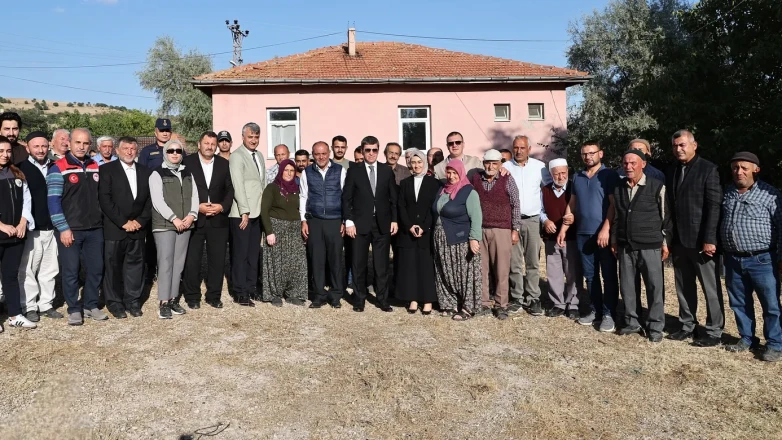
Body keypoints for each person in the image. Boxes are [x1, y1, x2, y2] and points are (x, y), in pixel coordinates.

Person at [720, 152, 782, 361]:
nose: (739, 171)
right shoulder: (727, 193)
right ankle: (747, 338)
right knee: (739, 302)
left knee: (770, 304)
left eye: (744, 168)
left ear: (756, 169)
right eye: (736, 167)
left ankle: (775, 343)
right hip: (734, 259)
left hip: (763, 259)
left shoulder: (770, 194)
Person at [665, 129, 724, 346]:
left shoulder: (708, 169)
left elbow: (714, 206)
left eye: (682, 145)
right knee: (683, 287)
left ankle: (714, 331)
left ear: (694, 145)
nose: (678, 149)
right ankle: (687, 325)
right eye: (675, 146)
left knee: (710, 288)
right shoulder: (672, 171)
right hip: (679, 241)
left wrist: (710, 239)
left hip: (702, 242)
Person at [557, 141, 620, 332]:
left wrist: (606, 229)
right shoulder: (577, 176)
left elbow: (613, 205)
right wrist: (563, 229)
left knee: (608, 276)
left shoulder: (609, 175)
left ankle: (609, 314)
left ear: (600, 153)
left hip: (602, 234)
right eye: (584, 154)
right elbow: (572, 204)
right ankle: (596, 310)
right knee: (591, 277)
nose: (588, 157)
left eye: (591, 153)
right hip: (583, 235)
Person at [47, 128, 107, 326]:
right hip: (70, 230)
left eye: (85, 143)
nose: (81, 147)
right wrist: (63, 228)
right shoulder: (58, 167)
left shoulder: (94, 166)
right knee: (71, 270)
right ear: (70, 144)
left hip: (94, 228)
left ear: (90, 145)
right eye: (78, 143)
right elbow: (53, 201)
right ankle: (74, 308)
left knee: (96, 268)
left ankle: (91, 305)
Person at [611, 150, 671, 343]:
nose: (628, 167)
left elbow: (665, 217)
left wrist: (665, 243)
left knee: (654, 287)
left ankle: (655, 325)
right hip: (625, 245)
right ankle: (632, 321)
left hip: (650, 245)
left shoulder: (656, 186)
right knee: (627, 286)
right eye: (625, 163)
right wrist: (614, 240)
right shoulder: (619, 188)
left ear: (643, 164)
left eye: (633, 163)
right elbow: (617, 217)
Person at [343, 136, 398, 312]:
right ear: (362, 150)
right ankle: (359, 298)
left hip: (382, 223)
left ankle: (382, 299)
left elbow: (393, 199)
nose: (371, 153)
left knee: (381, 265)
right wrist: (349, 221)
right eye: (368, 150)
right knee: (359, 264)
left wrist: (394, 219)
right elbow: (346, 198)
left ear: (378, 150)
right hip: (359, 224)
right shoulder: (354, 170)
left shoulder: (386, 171)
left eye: (374, 150)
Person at [98, 136, 151, 319]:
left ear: (136, 151)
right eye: (125, 148)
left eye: (132, 148)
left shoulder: (146, 171)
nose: (129, 152)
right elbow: (105, 200)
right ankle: (114, 303)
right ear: (117, 151)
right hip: (115, 229)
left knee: (135, 267)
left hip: (138, 229)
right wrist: (123, 222)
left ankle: (133, 301)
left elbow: (150, 200)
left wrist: (140, 221)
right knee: (112, 267)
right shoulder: (106, 170)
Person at [180, 131, 234, 309]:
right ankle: (192, 296)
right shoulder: (187, 163)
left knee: (217, 260)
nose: (210, 147)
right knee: (192, 260)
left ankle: (214, 295)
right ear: (199, 144)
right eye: (206, 143)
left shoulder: (223, 164)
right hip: (195, 219)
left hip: (218, 220)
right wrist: (196, 208)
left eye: (213, 144)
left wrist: (222, 207)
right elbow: (182, 191)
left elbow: (230, 190)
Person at [149, 139, 198, 319]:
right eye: (171, 151)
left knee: (178, 264)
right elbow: (157, 200)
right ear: (165, 153)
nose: (175, 153)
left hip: (185, 223)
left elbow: (195, 196)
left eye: (178, 150)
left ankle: (173, 299)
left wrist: (192, 215)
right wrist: (174, 218)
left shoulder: (188, 173)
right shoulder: (157, 173)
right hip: (164, 225)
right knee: (166, 263)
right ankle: (163, 302)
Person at [503, 135, 552, 315]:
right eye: (516, 148)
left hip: (532, 219)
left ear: (529, 149)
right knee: (514, 262)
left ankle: (533, 298)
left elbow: (547, 191)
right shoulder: (505, 168)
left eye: (522, 148)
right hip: (511, 221)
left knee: (532, 262)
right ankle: (516, 297)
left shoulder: (539, 167)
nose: (518, 151)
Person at [17, 132, 62, 321]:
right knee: (27, 270)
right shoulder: (19, 169)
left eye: (44, 146)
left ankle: (46, 304)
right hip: (31, 229)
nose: (41, 150)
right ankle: (29, 306)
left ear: (49, 147)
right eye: (36, 146)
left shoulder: (55, 167)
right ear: (27, 148)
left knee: (49, 269)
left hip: (51, 228)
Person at [471, 149, 521, 320]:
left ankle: (501, 305)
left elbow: (516, 205)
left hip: (502, 230)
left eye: (494, 163)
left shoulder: (508, 179)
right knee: (481, 268)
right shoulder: (476, 178)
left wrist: (515, 229)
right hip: (480, 229)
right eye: (487, 163)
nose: (490, 166)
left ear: (500, 164)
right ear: (483, 163)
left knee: (501, 269)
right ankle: (484, 303)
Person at [432, 159, 482, 320]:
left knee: (464, 273)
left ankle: (468, 307)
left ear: (461, 173)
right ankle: (450, 303)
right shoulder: (442, 190)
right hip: (441, 237)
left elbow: (476, 217)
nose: (451, 176)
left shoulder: (469, 191)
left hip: (460, 239)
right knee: (445, 271)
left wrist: (474, 238)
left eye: (455, 173)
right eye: (449, 172)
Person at [300, 141, 348, 308]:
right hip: (315, 220)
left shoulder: (340, 171)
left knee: (335, 259)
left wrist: (345, 220)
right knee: (317, 259)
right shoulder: (307, 172)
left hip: (335, 221)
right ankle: (319, 295)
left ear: (329, 153)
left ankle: (335, 295)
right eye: (317, 154)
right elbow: (303, 196)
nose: (321, 157)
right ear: (313, 155)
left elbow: (345, 197)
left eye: (324, 153)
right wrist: (303, 220)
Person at [396, 148, 439, 315]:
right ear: (409, 165)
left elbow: (433, 208)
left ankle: (427, 300)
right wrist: (409, 226)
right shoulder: (405, 183)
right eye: (413, 162)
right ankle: (413, 299)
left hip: (426, 232)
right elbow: (401, 206)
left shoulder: (433, 183)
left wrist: (424, 226)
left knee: (426, 267)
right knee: (410, 266)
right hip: (409, 232)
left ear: (425, 163)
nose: (416, 165)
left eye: (419, 162)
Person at [0, 136, 36, 330]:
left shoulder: (16, 173)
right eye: (0, 151)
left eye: (7, 151)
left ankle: (15, 315)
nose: (5, 155)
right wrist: (2, 226)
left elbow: (26, 200)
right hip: (2, 232)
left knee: (11, 275)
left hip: (16, 235)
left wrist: (23, 221)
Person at [260, 159, 307, 306]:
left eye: (292, 170)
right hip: (276, 228)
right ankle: (275, 294)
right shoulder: (272, 188)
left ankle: (294, 293)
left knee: (296, 263)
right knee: (276, 264)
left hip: (294, 230)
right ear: (281, 171)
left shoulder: (297, 189)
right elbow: (264, 211)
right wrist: (269, 232)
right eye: (286, 170)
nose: (289, 173)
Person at [229, 122, 266, 306]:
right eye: (250, 137)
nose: (253, 140)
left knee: (253, 254)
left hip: (257, 213)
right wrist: (244, 210)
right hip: (242, 214)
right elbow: (238, 185)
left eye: (256, 137)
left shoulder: (259, 155)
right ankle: (240, 291)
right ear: (243, 137)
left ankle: (251, 288)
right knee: (240, 254)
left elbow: (261, 184)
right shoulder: (237, 156)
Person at [541, 159, 581, 319]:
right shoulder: (544, 190)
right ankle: (558, 303)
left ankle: (573, 304)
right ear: (551, 174)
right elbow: (541, 210)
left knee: (573, 272)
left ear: (568, 172)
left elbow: (579, 209)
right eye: (557, 173)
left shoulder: (574, 188)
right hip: (551, 238)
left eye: (563, 173)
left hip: (571, 237)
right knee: (554, 272)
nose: (560, 176)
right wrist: (545, 221)